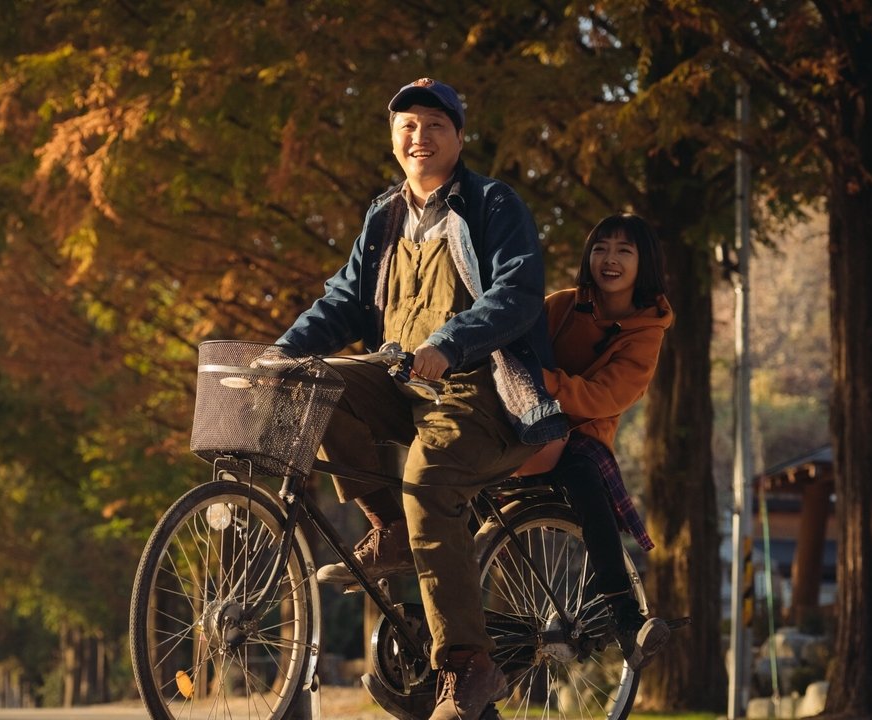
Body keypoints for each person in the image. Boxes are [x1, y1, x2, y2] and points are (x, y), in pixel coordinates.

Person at [274, 78, 567, 720]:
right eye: (407, 125)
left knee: (428, 479)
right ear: (393, 138)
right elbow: (343, 300)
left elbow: (517, 295)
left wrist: (449, 343)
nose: (419, 136)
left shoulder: (492, 203)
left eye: (435, 124)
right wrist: (281, 353)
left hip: (484, 389)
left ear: (459, 138)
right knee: (320, 384)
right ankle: (392, 531)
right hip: (402, 381)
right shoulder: (385, 215)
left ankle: (469, 667)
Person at [516, 212, 674, 670]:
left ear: (644, 263)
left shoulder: (647, 332)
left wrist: (546, 382)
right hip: (522, 420)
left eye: (624, 250)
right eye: (601, 247)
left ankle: (624, 613)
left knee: (586, 478)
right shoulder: (562, 306)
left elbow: (606, 396)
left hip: (581, 431)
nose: (609, 259)